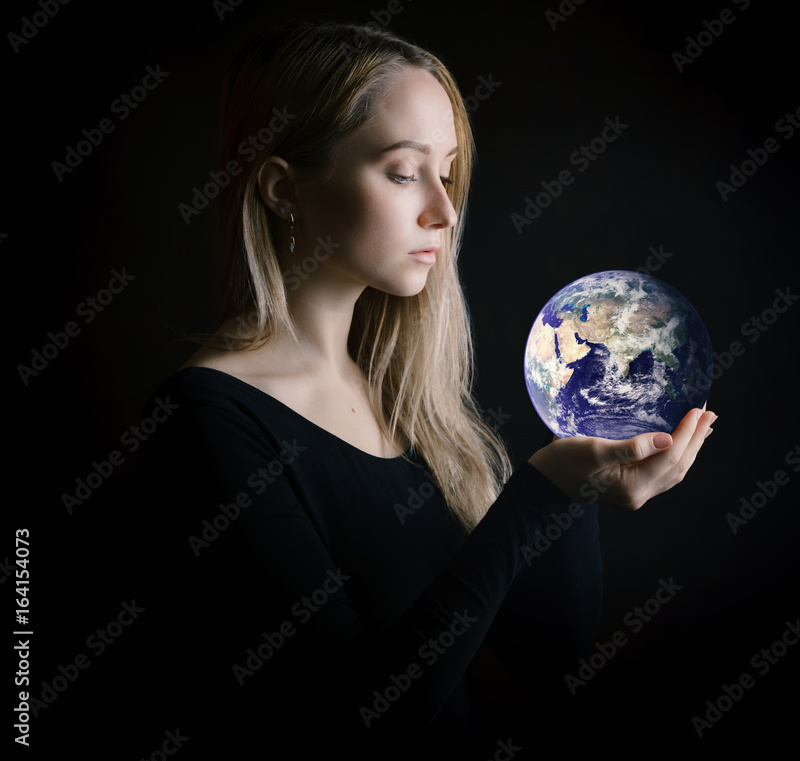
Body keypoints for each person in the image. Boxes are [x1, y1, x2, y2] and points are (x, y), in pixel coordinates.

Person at [133, 19, 717, 757]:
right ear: (283, 187)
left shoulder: (410, 403)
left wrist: (577, 494)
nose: (443, 210)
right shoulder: (206, 422)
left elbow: (550, 655)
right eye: (405, 171)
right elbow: (354, 726)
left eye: (449, 172)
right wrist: (538, 494)